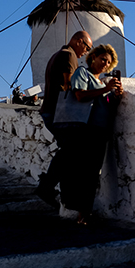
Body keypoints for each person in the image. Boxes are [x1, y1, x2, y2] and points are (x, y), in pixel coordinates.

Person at [61, 44, 122, 225]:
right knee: (85, 172)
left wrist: (115, 94)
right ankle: (82, 213)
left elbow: (106, 104)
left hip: (101, 130)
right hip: (87, 129)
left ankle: (84, 212)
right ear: (93, 57)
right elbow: (79, 95)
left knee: (93, 172)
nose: (105, 63)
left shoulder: (101, 83)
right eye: (103, 59)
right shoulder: (83, 73)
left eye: (108, 62)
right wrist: (105, 89)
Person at [34, 31, 93, 208]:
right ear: (79, 41)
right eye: (87, 47)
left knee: (69, 151)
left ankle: (64, 197)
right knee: (71, 149)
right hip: (58, 112)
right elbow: (70, 86)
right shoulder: (69, 55)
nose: (86, 52)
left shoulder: (56, 55)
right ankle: (47, 187)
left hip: (50, 110)